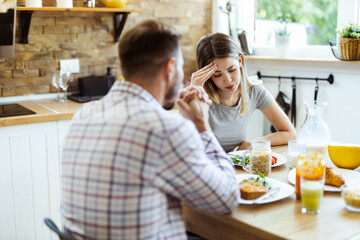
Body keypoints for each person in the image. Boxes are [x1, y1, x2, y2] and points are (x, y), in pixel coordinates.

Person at [60, 20, 239, 240]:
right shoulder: (165, 130)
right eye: (182, 67)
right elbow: (227, 198)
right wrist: (202, 127)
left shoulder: (84, 115)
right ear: (170, 68)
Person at [191, 33, 296, 152]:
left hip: (236, 167)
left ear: (240, 60)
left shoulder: (254, 90)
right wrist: (193, 97)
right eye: (217, 74)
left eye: (232, 70)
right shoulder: (200, 96)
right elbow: (187, 146)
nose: (228, 80)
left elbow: (290, 133)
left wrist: (253, 143)